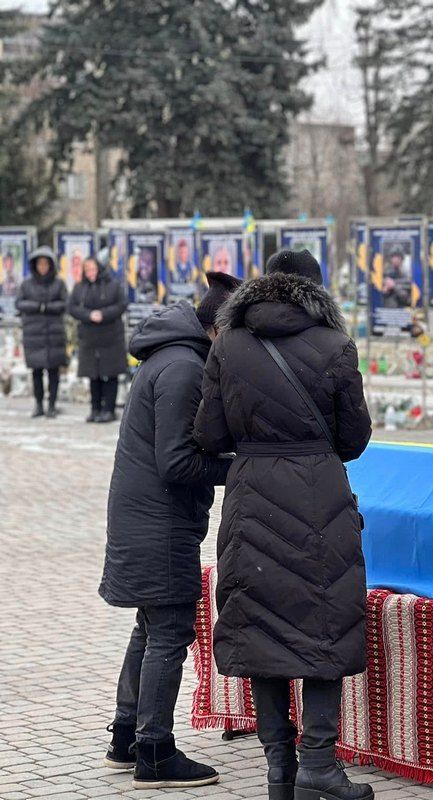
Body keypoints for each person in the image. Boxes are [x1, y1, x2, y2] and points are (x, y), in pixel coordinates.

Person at [194, 250, 374, 800]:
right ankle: (319, 762)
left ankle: (280, 770)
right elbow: (354, 439)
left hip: (252, 497)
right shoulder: (336, 346)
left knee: (260, 627)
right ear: (314, 290)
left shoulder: (227, 344)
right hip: (320, 494)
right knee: (326, 622)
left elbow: (209, 435)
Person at [98, 274, 240, 789]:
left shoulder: (174, 356)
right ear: (220, 330)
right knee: (171, 630)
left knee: (151, 624)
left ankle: (126, 735)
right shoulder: (184, 368)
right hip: (159, 523)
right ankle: (154, 752)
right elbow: (178, 463)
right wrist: (242, 466)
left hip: (147, 517)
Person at [68, 255, 129, 422]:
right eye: (87, 270)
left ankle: (109, 409)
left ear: (100, 269)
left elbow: (122, 304)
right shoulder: (80, 287)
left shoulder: (113, 286)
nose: (90, 273)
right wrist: (88, 315)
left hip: (111, 337)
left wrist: (103, 314)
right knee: (93, 374)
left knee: (110, 374)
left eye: (93, 269)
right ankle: (95, 408)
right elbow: (72, 307)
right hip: (89, 337)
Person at [16, 246, 68, 418]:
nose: (43, 267)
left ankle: (52, 405)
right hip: (34, 334)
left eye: (46, 264)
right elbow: (20, 303)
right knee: (36, 371)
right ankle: (38, 404)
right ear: (35, 265)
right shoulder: (26, 284)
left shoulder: (58, 283)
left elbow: (64, 304)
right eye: (40, 264)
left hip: (54, 334)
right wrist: (39, 307)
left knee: (54, 371)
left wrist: (45, 308)